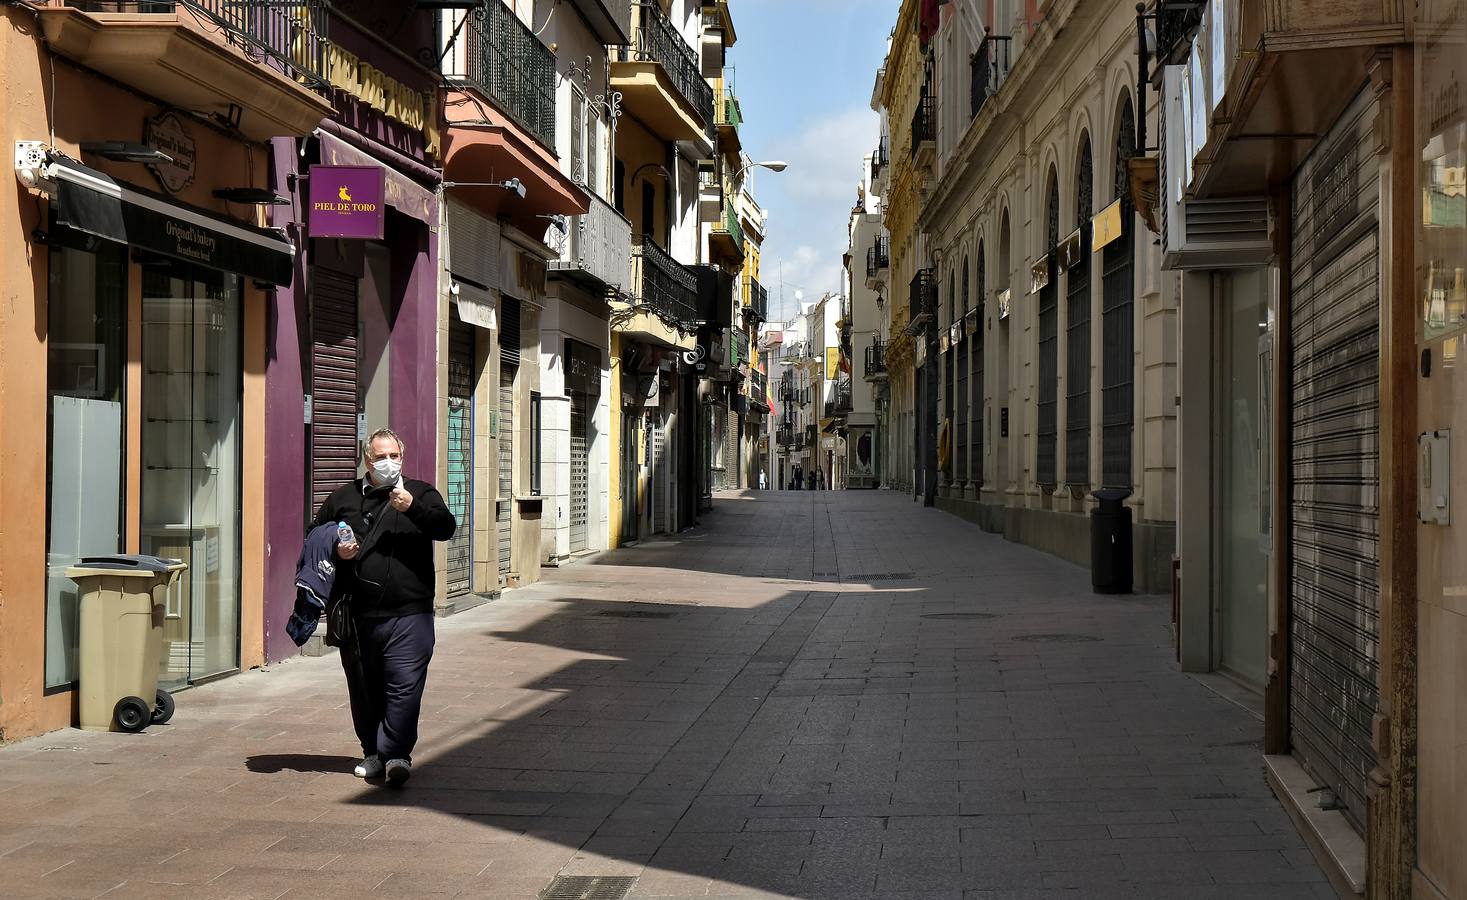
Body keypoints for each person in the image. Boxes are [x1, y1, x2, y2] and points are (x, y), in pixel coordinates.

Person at [314, 427, 456, 786]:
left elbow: (445, 527)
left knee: (404, 685)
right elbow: (315, 536)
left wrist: (414, 508)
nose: (388, 462)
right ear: (366, 459)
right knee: (364, 688)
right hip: (358, 614)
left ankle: (396, 754)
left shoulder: (421, 492)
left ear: (402, 459)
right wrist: (337, 548)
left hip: (410, 612)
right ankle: (373, 752)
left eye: (394, 456)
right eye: (380, 456)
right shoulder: (343, 498)